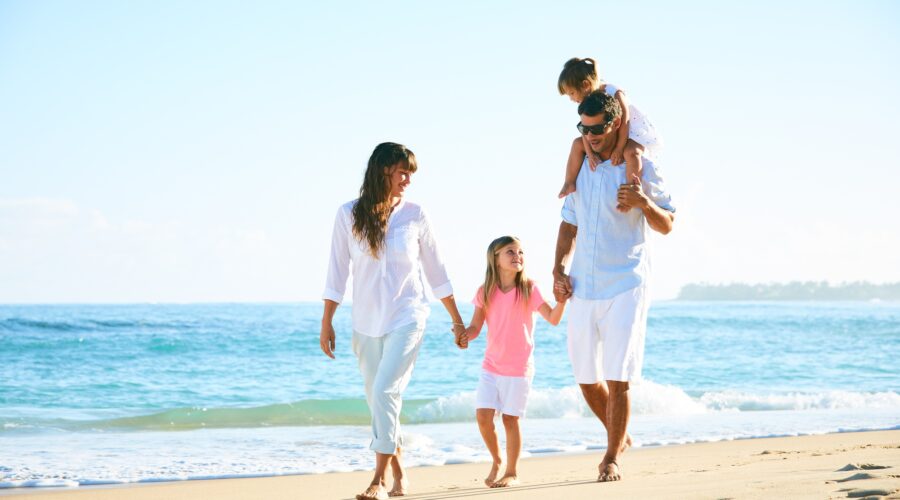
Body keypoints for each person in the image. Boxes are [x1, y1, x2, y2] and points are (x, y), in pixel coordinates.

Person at [320, 142, 466, 500]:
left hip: (409, 314)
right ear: (383, 170)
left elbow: (436, 270)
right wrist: (327, 321)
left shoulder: (416, 214)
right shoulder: (348, 214)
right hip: (366, 321)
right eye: (403, 172)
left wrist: (457, 321)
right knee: (379, 400)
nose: (408, 180)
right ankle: (401, 474)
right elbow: (337, 272)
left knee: (385, 391)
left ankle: (378, 480)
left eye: (410, 174)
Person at [553, 90, 675, 482]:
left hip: (626, 282)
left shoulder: (640, 166)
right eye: (583, 130)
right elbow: (569, 222)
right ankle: (620, 436)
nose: (590, 136)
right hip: (583, 287)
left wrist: (642, 202)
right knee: (587, 379)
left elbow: (667, 224)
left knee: (619, 376)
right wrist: (558, 267)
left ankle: (611, 458)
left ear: (615, 124)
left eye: (598, 129)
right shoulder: (581, 169)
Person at [456, 236, 569, 488]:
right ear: (495, 258)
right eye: (510, 251)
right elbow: (475, 326)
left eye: (520, 252)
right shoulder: (484, 290)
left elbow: (552, 318)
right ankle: (496, 460)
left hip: (519, 369)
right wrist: (466, 336)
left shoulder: (529, 288)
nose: (517, 255)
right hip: (491, 366)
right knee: (483, 417)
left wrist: (562, 301)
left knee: (510, 420)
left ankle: (511, 471)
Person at [556, 57, 662, 211]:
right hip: (605, 132)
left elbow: (624, 122)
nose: (572, 99)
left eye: (572, 93)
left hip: (631, 132)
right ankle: (569, 182)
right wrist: (590, 154)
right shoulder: (587, 104)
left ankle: (630, 191)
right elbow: (586, 130)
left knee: (631, 152)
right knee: (576, 144)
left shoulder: (613, 91)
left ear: (585, 85)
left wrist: (619, 148)